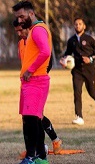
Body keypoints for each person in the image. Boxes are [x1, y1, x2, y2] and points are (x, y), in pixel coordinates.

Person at [12, 0, 52, 164]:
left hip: (35, 81)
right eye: (17, 17)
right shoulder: (34, 31)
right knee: (34, 120)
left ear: (31, 13)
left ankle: (30, 157)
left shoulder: (37, 30)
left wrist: (30, 70)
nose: (20, 20)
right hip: (32, 81)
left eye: (22, 16)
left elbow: (46, 52)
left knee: (30, 121)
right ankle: (41, 156)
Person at [14, 19, 63, 156]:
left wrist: (37, 75)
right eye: (16, 31)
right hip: (26, 82)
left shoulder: (36, 36)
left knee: (35, 116)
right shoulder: (20, 44)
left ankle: (43, 147)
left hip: (37, 82)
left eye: (21, 30)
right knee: (31, 117)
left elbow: (47, 59)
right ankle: (41, 148)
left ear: (28, 28)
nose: (19, 34)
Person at [62, 17, 95, 125]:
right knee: (77, 92)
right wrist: (63, 60)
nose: (78, 26)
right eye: (76, 24)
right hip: (77, 70)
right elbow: (67, 53)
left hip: (89, 69)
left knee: (91, 92)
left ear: (84, 26)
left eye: (80, 24)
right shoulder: (71, 41)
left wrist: (90, 59)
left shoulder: (89, 39)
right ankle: (79, 117)